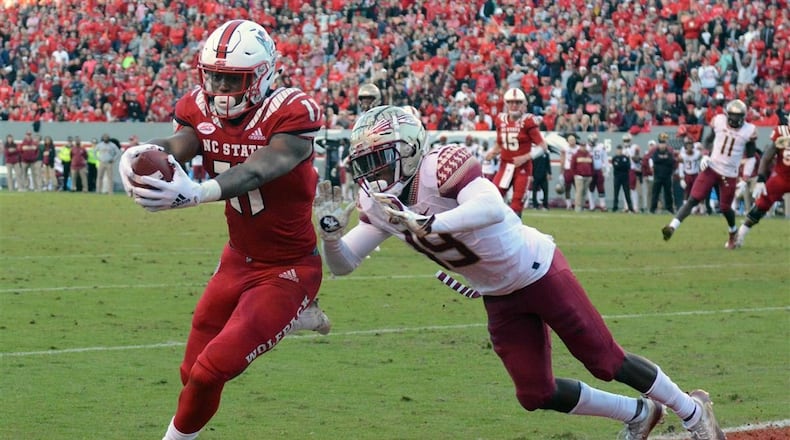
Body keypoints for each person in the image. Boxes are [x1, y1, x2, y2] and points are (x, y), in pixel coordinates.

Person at [314, 105, 726, 440]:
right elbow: (345, 264)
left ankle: (693, 412)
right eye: (366, 163)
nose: (374, 173)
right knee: (534, 392)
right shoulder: (378, 202)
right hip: (498, 293)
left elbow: (492, 207)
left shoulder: (439, 165)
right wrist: (331, 237)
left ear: (409, 149)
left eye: (381, 159)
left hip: (538, 269)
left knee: (605, 360)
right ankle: (638, 413)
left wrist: (430, 224)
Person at [117, 20, 331, 440]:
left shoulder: (291, 112)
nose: (218, 88)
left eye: (231, 79)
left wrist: (198, 193)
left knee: (210, 371)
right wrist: (143, 153)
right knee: (190, 372)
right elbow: (181, 144)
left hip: (288, 268)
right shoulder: (198, 108)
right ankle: (301, 317)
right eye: (212, 76)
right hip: (236, 259)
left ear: (263, 74)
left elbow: (261, 169)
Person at [662, 99, 758, 248]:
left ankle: (733, 232)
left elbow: (751, 157)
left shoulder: (749, 130)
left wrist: (745, 178)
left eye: (739, 116)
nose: (735, 119)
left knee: (725, 208)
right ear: (727, 114)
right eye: (733, 115)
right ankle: (672, 226)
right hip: (712, 168)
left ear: (744, 116)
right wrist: (706, 154)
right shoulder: (719, 121)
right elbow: (707, 140)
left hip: (730, 173)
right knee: (694, 198)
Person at [485, 88, 548, 217]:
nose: (514, 105)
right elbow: (500, 142)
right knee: (493, 198)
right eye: (511, 102)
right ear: (506, 103)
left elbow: (543, 147)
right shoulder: (500, 120)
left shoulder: (528, 121)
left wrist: (525, 157)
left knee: (516, 205)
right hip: (505, 166)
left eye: (518, 102)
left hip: (522, 169)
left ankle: (515, 233)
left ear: (523, 104)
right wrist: (493, 152)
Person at [735, 121, 790, 247]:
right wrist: (761, 178)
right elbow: (766, 156)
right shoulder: (781, 132)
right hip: (780, 178)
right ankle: (740, 234)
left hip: (780, 177)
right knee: (761, 206)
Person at [648, 136, 676, 214]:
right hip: (658, 176)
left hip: (667, 176)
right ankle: (652, 209)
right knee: (655, 193)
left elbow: (671, 162)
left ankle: (670, 209)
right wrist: (663, 160)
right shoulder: (655, 152)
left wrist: (661, 160)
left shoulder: (669, 153)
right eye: (661, 143)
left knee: (668, 194)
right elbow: (654, 160)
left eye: (664, 143)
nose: (662, 145)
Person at [611, 144, 635, 212]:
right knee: (616, 193)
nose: (619, 151)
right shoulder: (614, 158)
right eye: (618, 149)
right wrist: (622, 166)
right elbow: (616, 166)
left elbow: (628, 166)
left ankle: (630, 207)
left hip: (625, 177)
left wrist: (621, 165)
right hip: (617, 177)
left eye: (620, 149)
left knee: (627, 193)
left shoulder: (625, 157)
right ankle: (615, 207)